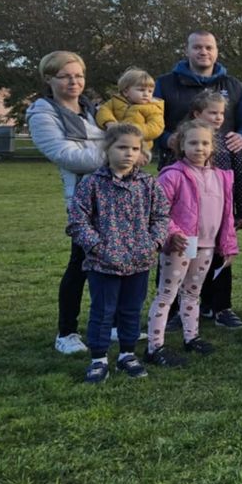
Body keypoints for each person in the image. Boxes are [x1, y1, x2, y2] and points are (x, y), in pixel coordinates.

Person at [66, 124, 170, 383]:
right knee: (102, 311)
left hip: (139, 261)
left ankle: (127, 354)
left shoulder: (148, 184)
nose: (128, 153)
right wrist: (97, 247)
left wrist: (153, 243)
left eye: (134, 148)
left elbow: (161, 216)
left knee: (131, 310)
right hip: (103, 264)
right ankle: (98, 358)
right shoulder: (92, 184)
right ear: (107, 148)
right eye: (122, 147)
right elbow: (78, 220)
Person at [27, 50, 107, 355]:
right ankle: (67, 332)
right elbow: (67, 156)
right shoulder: (43, 112)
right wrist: (117, 154)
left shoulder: (92, 109)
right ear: (49, 79)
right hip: (84, 200)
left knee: (115, 264)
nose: (74, 82)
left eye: (79, 75)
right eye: (65, 76)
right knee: (81, 264)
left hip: (116, 195)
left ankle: (108, 324)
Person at [145, 118, 239, 368]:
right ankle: (155, 347)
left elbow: (227, 214)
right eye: (193, 143)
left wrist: (228, 245)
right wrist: (173, 234)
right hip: (181, 245)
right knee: (167, 294)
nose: (200, 148)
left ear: (212, 147)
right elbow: (158, 210)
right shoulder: (172, 175)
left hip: (207, 246)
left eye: (205, 143)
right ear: (181, 145)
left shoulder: (221, 177)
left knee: (192, 294)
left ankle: (191, 337)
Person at [184, 91, 242, 330]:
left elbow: (239, 179)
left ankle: (221, 307)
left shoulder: (229, 143)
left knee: (221, 258)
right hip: (189, 216)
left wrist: (241, 212)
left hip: (221, 214)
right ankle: (182, 308)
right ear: (197, 114)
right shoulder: (186, 143)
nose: (218, 117)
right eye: (212, 112)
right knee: (188, 260)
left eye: (221, 113)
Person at [154, 30, 242, 169]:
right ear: (187, 51)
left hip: (223, 169)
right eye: (197, 47)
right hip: (176, 167)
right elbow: (150, 122)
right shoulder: (163, 84)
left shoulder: (235, 86)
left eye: (209, 48)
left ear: (216, 51)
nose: (203, 52)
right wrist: (166, 139)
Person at [95, 67, 164, 156]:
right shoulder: (115, 101)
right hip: (114, 143)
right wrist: (109, 122)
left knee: (132, 166)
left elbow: (156, 127)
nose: (146, 94)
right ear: (126, 91)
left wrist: (132, 130)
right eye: (141, 90)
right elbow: (103, 111)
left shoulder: (153, 108)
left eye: (150, 91)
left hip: (139, 148)